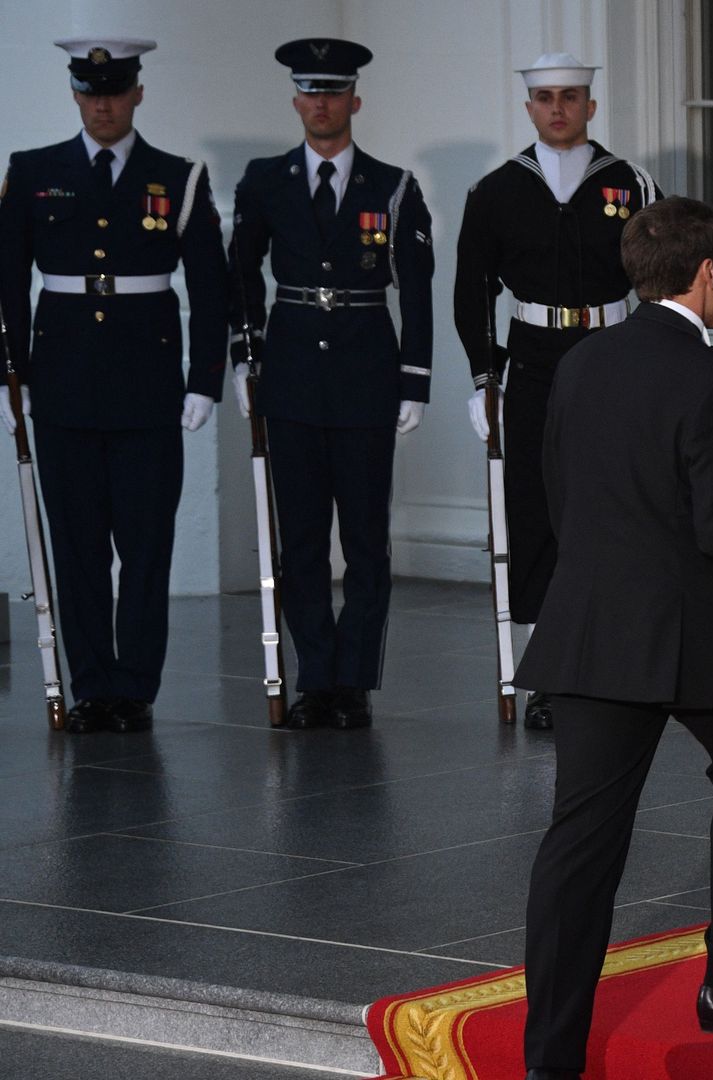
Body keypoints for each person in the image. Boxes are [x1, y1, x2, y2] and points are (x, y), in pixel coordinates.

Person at [516, 196, 713, 1080]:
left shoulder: (579, 362)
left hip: (589, 630)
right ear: (706, 275)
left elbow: (555, 489)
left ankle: (551, 1062)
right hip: (689, 634)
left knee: (579, 844)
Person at [0, 37, 227, 734]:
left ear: (137, 93)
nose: (102, 102)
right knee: (77, 546)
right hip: (63, 380)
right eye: (90, 90)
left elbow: (211, 286)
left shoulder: (177, 175)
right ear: (75, 94)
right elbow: (9, 280)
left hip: (149, 384)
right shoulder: (33, 171)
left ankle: (135, 688)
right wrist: (16, 371)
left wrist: (203, 381)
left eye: (115, 89)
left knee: (146, 541)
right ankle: (93, 683)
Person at [453, 51, 663, 730]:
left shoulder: (629, 184)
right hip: (535, 362)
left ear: (590, 106)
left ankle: (609, 660)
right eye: (544, 98)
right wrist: (484, 375)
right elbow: (471, 292)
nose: (557, 109)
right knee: (538, 511)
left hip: (609, 356)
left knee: (608, 507)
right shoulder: (495, 190)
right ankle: (548, 670)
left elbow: (658, 281)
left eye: (570, 97)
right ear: (529, 107)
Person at [228, 39, 433, 730]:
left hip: (366, 376)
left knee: (368, 538)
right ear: (296, 101)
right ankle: (315, 675)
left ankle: (354, 680)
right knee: (304, 538)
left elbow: (419, 290)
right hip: (289, 375)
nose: (321, 103)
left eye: (333, 91)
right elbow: (240, 276)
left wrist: (415, 380)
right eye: (310, 92)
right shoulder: (263, 180)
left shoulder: (394, 185)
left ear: (354, 100)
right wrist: (244, 358)